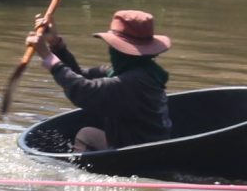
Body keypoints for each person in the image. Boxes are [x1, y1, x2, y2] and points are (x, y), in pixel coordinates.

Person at [27, 9, 173, 152]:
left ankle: (80, 173)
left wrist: (48, 58)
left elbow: (83, 91)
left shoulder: (133, 82)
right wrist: (56, 44)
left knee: (86, 135)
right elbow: (80, 76)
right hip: (145, 142)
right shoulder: (143, 71)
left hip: (138, 152)